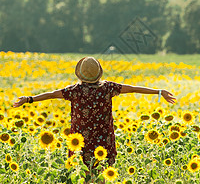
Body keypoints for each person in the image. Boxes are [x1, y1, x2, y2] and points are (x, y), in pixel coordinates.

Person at [13, 56, 176, 168]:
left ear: (80, 74)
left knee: (81, 175)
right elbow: (133, 89)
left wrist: (29, 99)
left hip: (80, 142)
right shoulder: (108, 88)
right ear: (99, 72)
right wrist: (158, 92)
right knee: (103, 174)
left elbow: (51, 95)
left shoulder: (74, 91)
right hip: (103, 139)